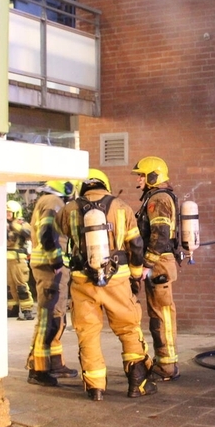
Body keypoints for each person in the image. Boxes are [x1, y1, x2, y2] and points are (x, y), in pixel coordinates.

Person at [59, 168, 156, 401]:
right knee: (128, 328)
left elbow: (61, 239)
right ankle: (138, 384)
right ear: (106, 185)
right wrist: (135, 275)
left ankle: (95, 388)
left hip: (82, 280)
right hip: (117, 279)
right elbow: (136, 245)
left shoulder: (68, 209)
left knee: (88, 333)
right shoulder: (122, 207)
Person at [131, 156, 181, 382]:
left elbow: (160, 234)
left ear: (153, 176)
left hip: (159, 263)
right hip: (159, 262)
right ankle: (163, 362)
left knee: (162, 314)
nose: (139, 179)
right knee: (158, 313)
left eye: (142, 175)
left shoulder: (158, 199)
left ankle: (167, 366)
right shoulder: (156, 197)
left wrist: (147, 265)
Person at [26, 180, 80, 386]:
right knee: (48, 319)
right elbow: (47, 232)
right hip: (51, 269)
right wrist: (57, 261)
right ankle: (38, 370)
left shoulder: (49, 200)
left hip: (50, 268)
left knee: (57, 317)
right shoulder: (53, 202)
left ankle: (55, 363)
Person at [6, 200, 36, 320]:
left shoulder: (21, 223)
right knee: (9, 287)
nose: (7, 214)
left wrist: (16, 227)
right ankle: (12, 309)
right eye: (6, 212)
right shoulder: (3, 224)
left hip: (18, 259)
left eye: (9, 212)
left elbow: (30, 235)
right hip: (6, 259)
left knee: (21, 286)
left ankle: (27, 309)